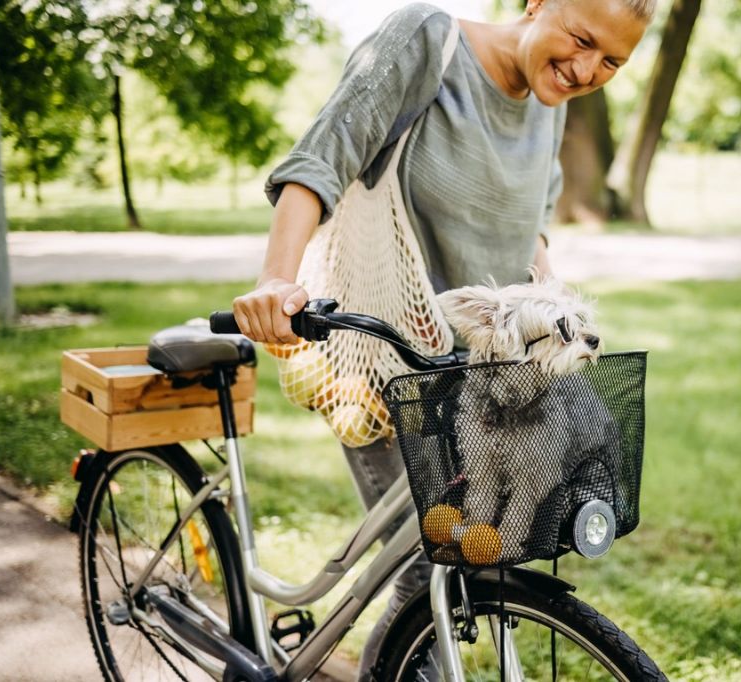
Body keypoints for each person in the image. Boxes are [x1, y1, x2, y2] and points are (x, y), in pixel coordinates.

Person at [232, 0, 652, 677]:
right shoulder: (429, 41)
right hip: (380, 364)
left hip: (484, 380)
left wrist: (558, 311)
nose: (585, 69)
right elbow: (318, 161)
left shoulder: (552, 97)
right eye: (580, 40)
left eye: (612, 61)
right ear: (537, 4)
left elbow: (532, 229)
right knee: (428, 564)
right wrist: (275, 283)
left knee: (470, 556)